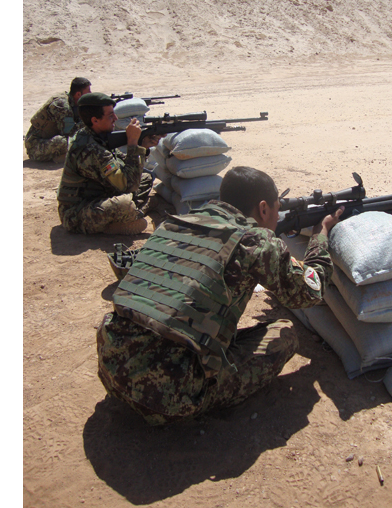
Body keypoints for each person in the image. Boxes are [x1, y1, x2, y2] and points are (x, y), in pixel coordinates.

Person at [96, 166, 344, 426]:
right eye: (276, 208)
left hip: (112, 363)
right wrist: (320, 236)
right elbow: (309, 292)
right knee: (284, 334)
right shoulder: (254, 241)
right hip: (167, 396)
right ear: (263, 209)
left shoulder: (176, 221)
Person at [56, 92, 158, 235]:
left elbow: (122, 163)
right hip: (76, 214)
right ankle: (114, 226)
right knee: (123, 203)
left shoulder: (95, 136)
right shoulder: (90, 148)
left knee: (145, 178)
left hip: (99, 195)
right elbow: (128, 184)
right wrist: (133, 144)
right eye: (110, 116)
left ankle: (129, 214)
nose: (115, 119)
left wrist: (142, 146)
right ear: (95, 120)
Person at [24, 77, 93, 162]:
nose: (90, 93)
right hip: (35, 147)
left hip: (48, 140)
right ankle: (60, 157)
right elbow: (70, 133)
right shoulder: (62, 105)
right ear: (78, 94)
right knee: (63, 142)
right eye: (88, 90)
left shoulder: (75, 104)